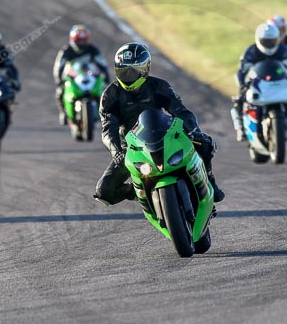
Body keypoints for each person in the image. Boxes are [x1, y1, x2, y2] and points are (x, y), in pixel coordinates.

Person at [94, 42, 224, 205]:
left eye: (133, 71)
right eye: (123, 71)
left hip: (165, 138)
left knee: (204, 144)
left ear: (145, 69)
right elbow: (108, 129)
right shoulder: (110, 95)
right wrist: (117, 152)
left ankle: (209, 180)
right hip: (132, 149)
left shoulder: (159, 86)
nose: (128, 75)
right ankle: (141, 191)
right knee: (104, 192)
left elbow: (180, 111)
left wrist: (193, 131)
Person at [231, 23, 287, 142]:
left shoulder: (283, 50)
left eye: (271, 41)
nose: (269, 45)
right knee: (239, 100)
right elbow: (241, 71)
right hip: (258, 83)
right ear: (258, 40)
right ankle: (241, 129)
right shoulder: (251, 51)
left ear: (277, 40)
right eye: (265, 41)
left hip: (279, 82)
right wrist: (242, 85)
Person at [53, 24, 110, 125]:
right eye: (79, 40)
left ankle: (104, 113)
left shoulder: (93, 49)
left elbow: (102, 64)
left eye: (84, 40)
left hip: (89, 75)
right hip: (72, 76)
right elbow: (59, 66)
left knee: (105, 91)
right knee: (59, 91)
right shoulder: (66, 51)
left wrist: (106, 78)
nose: (81, 43)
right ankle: (63, 113)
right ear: (73, 39)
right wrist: (59, 80)